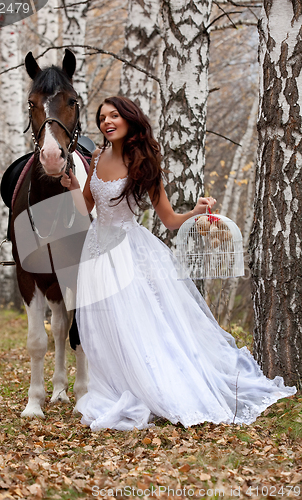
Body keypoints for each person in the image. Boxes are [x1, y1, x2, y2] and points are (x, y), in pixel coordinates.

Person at [61, 96, 296, 431]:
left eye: (114, 116)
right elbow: (86, 208)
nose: (107, 122)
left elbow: (170, 220)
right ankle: (115, 386)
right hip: (97, 251)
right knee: (102, 324)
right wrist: (72, 187)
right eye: (102, 118)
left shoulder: (144, 163)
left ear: (130, 121)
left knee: (136, 323)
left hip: (129, 251)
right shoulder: (97, 157)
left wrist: (198, 211)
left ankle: (153, 385)